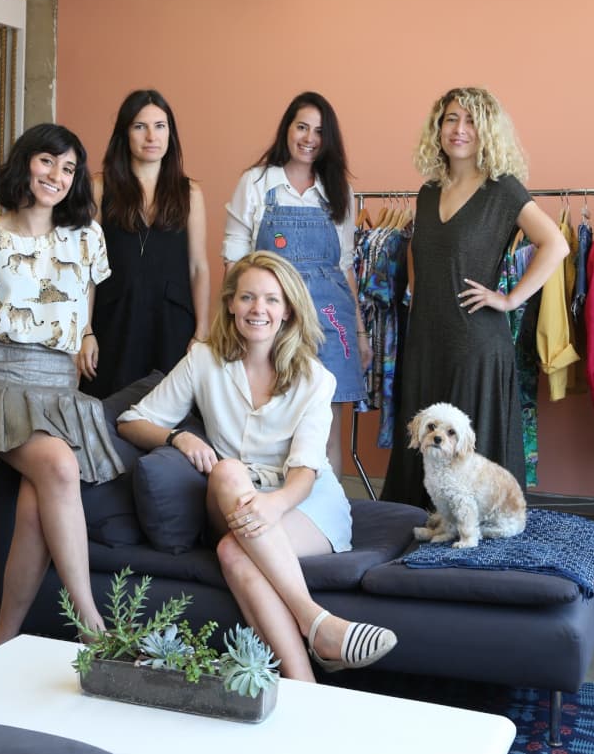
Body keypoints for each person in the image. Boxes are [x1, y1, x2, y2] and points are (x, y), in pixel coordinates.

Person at [117, 251, 396, 679]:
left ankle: (302, 685)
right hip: (233, 497)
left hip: (305, 501)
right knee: (228, 471)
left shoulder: (314, 378)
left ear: (287, 311)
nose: (258, 309)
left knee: (234, 552)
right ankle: (316, 622)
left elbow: (306, 470)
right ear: (230, 303)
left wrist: (276, 504)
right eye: (247, 297)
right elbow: (131, 420)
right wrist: (180, 436)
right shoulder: (203, 360)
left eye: (271, 299)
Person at [0, 123, 125, 648]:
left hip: (58, 388)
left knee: (37, 504)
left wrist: (85, 333)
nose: (56, 176)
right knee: (59, 466)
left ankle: (1, 642)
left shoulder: (87, 236)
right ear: (25, 163)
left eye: (68, 169)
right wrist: (7, 367)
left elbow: (85, 301)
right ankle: (92, 624)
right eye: (47, 161)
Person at [382, 87, 569, 507]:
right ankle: (417, 539)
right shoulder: (428, 191)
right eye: (451, 119)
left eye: (469, 121)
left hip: (475, 343)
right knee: (424, 446)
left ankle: (476, 549)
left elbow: (555, 244)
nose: (459, 129)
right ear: (439, 127)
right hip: (426, 342)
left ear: (485, 130)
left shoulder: (503, 190)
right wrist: (418, 290)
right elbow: (422, 252)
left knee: (470, 457)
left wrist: (509, 299)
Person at [222, 92, 371, 478]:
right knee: (276, 424)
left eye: (319, 131)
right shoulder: (255, 183)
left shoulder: (338, 190)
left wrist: (358, 332)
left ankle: (330, 517)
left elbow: (344, 267)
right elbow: (235, 265)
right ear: (287, 129)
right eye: (302, 127)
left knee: (326, 430)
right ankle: (277, 510)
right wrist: (228, 323)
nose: (309, 138)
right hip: (272, 317)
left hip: (331, 320)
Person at [79, 89, 210, 398]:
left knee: (168, 414)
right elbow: (85, 268)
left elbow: (198, 267)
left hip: (172, 323)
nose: (151, 135)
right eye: (140, 126)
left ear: (171, 133)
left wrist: (202, 332)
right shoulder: (99, 188)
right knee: (107, 412)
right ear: (125, 133)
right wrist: (85, 331)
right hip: (114, 320)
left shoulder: (189, 192)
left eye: (160, 126)